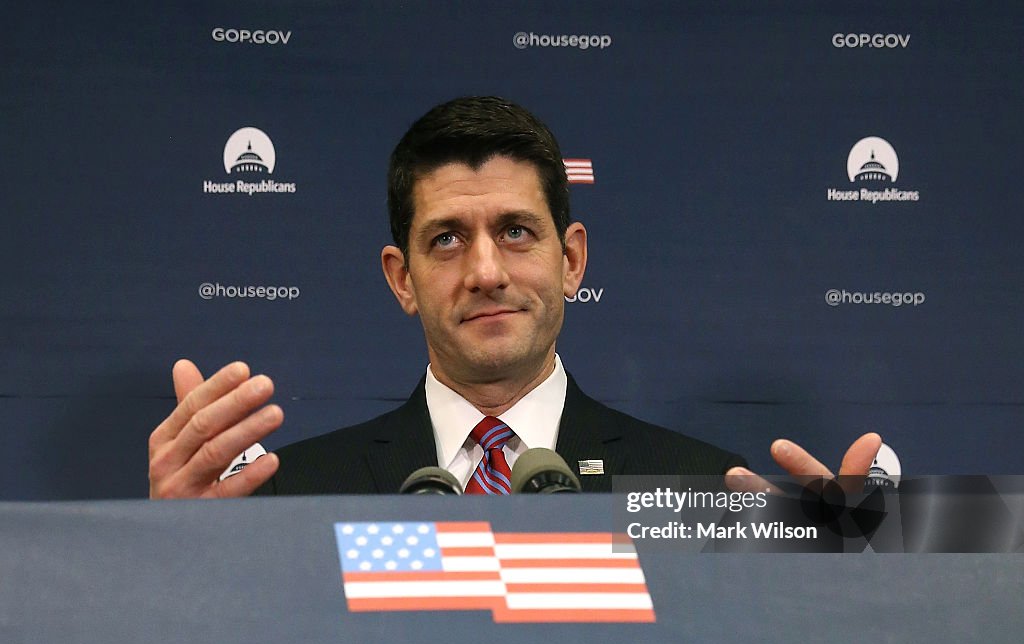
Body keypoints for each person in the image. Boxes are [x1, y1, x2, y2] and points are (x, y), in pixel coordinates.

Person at [148, 96, 879, 499]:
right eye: (446, 240)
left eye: (517, 232)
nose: (486, 270)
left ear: (571, 260)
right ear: (401, 278)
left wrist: (835, 594)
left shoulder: (703, 490)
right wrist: (178, 558)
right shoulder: (290, 498)